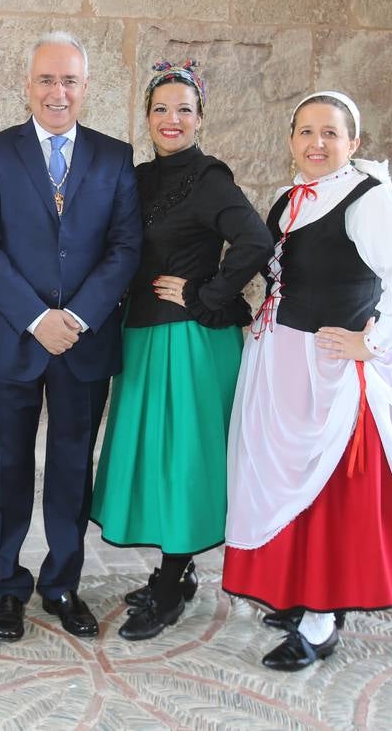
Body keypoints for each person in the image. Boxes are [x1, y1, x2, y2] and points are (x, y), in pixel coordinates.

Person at [222, 91, 392, 671]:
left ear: (354, 143)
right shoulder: (288, 197)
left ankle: (322, 619)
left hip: (334, 372)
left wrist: (372, 341)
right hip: (282, 363)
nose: (316, 143)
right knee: (283, 477)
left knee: (327, 489)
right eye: (305, 132)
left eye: (329, 133)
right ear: (291, 139)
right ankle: (299, 592)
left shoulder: (371, 200)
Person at [0, 31, 142, 642]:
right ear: (28, 85)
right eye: (46, 79)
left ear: (86, 88)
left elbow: (125, 248)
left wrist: (81, 316)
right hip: (13, 337)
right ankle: (6, 587)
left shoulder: (116, 158)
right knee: (8, 467)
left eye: (69, 80)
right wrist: (38, 318)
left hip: (84, 342)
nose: (57, 91)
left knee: (72, 467)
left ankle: (62, 583)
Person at [89, 60, 272, 641]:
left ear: (200, 119)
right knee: (154, 457)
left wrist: (205, 293)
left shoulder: (209, 179)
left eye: (184, 110)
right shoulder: (138, 177)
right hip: (143, 336)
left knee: (181, 459)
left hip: (188, 342)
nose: (172, 120)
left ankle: (170, 587)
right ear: (147, 116)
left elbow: (256, 241)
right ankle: (178, 571)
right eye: (161, 109)